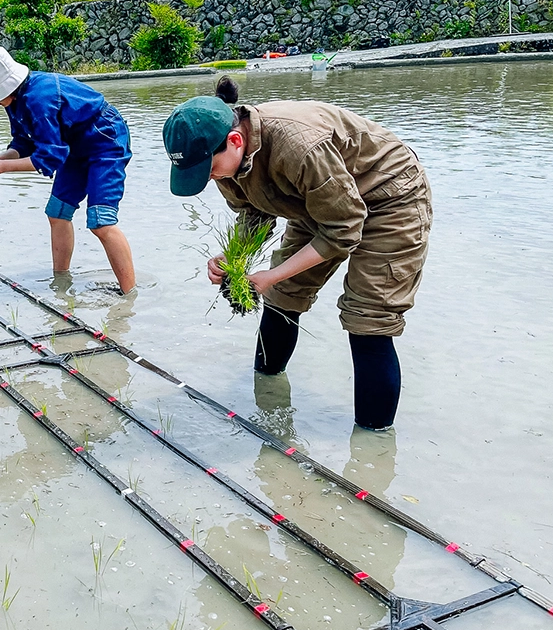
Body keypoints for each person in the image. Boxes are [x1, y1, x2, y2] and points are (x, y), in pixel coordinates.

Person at [161, 76, 433, 431]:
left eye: (209, 169)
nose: (211, 179)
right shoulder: (227, 162)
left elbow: (344, 228)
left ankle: (371, 447)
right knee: (282, 297)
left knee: (367, 319)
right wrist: (231, 257)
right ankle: (267, 398)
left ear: (235, 141)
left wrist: (271, 275)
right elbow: (255, 212)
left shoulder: (298, 145)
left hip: (389, 198)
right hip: (314, 202)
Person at [0, 46, 135, 293]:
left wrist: (2, 167)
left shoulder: (39, 98)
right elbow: (23, 144)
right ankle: (61, 280)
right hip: (72, 146)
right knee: (57, 213)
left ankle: (129, 294)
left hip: (105, 141)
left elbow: (49, 159)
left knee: (101, 222)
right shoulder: (14, 102)